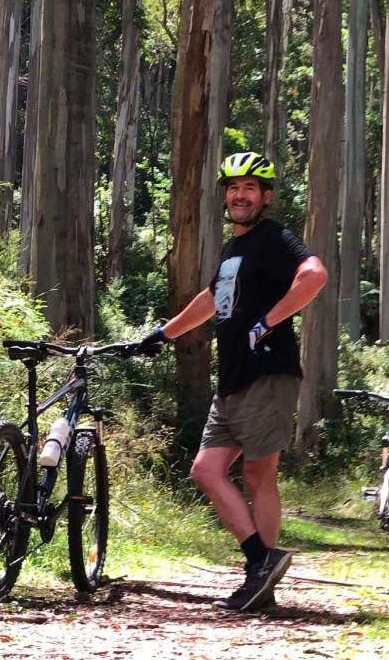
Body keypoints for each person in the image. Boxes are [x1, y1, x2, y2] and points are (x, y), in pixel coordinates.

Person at [138, 151, 328, 611]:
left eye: (250, 188)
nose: (239, 195)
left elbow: (315, 275)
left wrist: (270, 320)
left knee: (257, 474)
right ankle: (261, 559)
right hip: (233, 379)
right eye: (233, 188)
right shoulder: (233, 250)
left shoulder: (274, 238)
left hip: (267, 371)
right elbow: (211, 299)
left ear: (265, 196)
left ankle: (260, 581)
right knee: (205, 470)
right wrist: (165, 333)